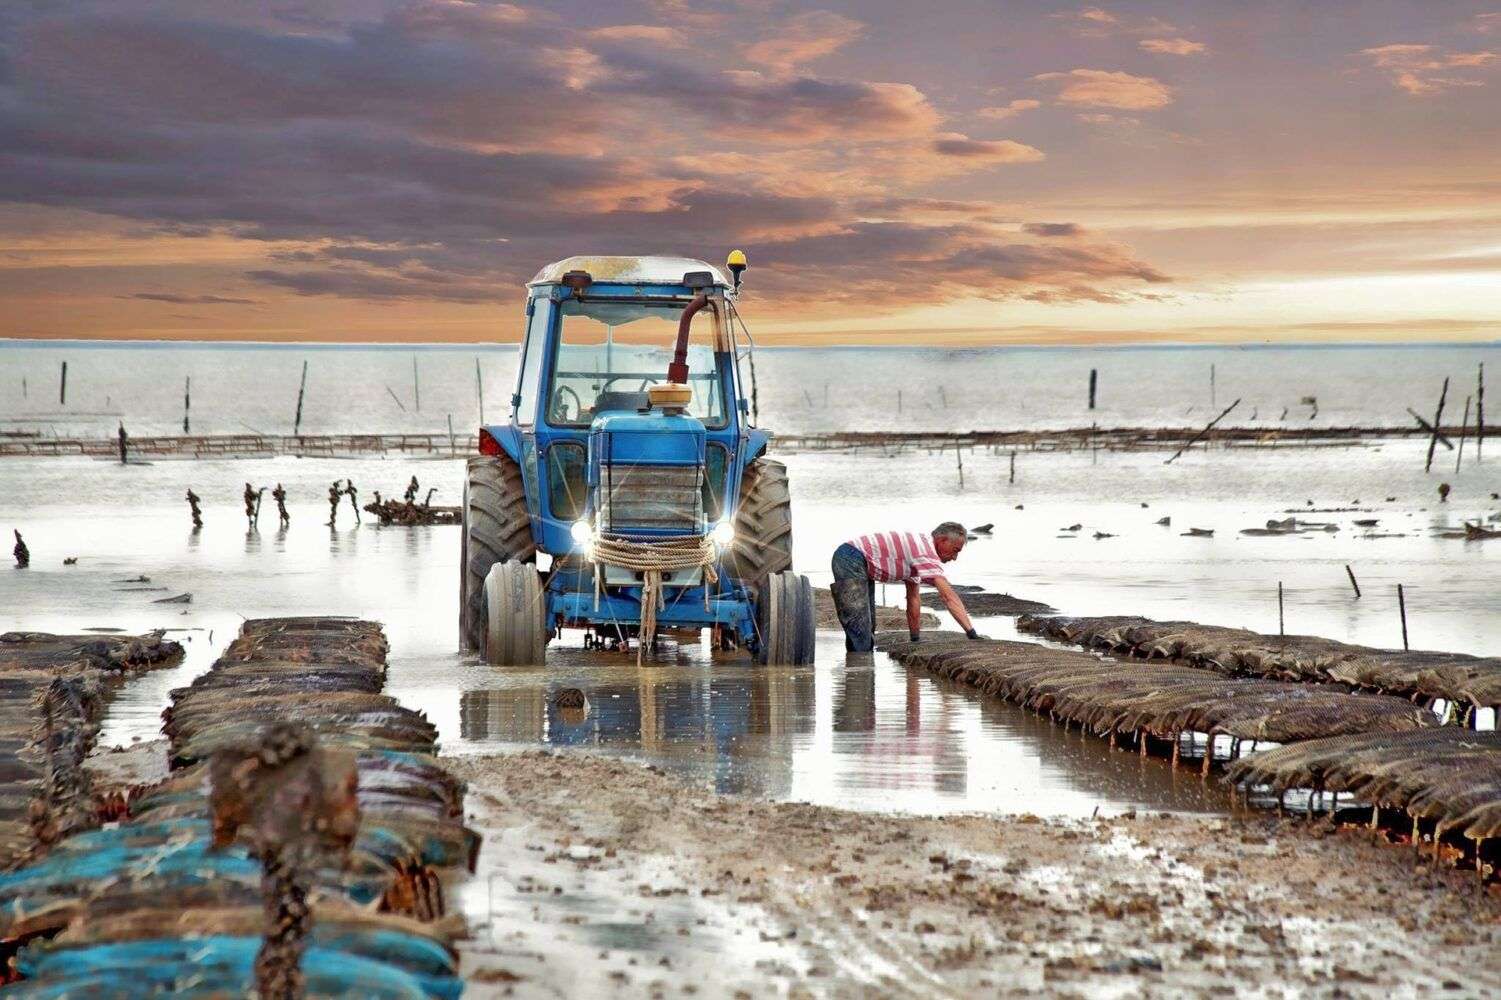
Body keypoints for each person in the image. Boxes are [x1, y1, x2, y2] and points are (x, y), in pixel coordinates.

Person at [829, 522, 983, 652]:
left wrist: (914, 639)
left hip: (862, 564)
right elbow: (948, 597)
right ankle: (859, 676)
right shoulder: (925, 553)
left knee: (867, 627)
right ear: (942, 540)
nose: (955, 557)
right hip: (851, 557)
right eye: (955, 550)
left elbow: (913, 598)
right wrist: (971, 633)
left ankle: (857, 671)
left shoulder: (917, 554)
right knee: (860, 627)